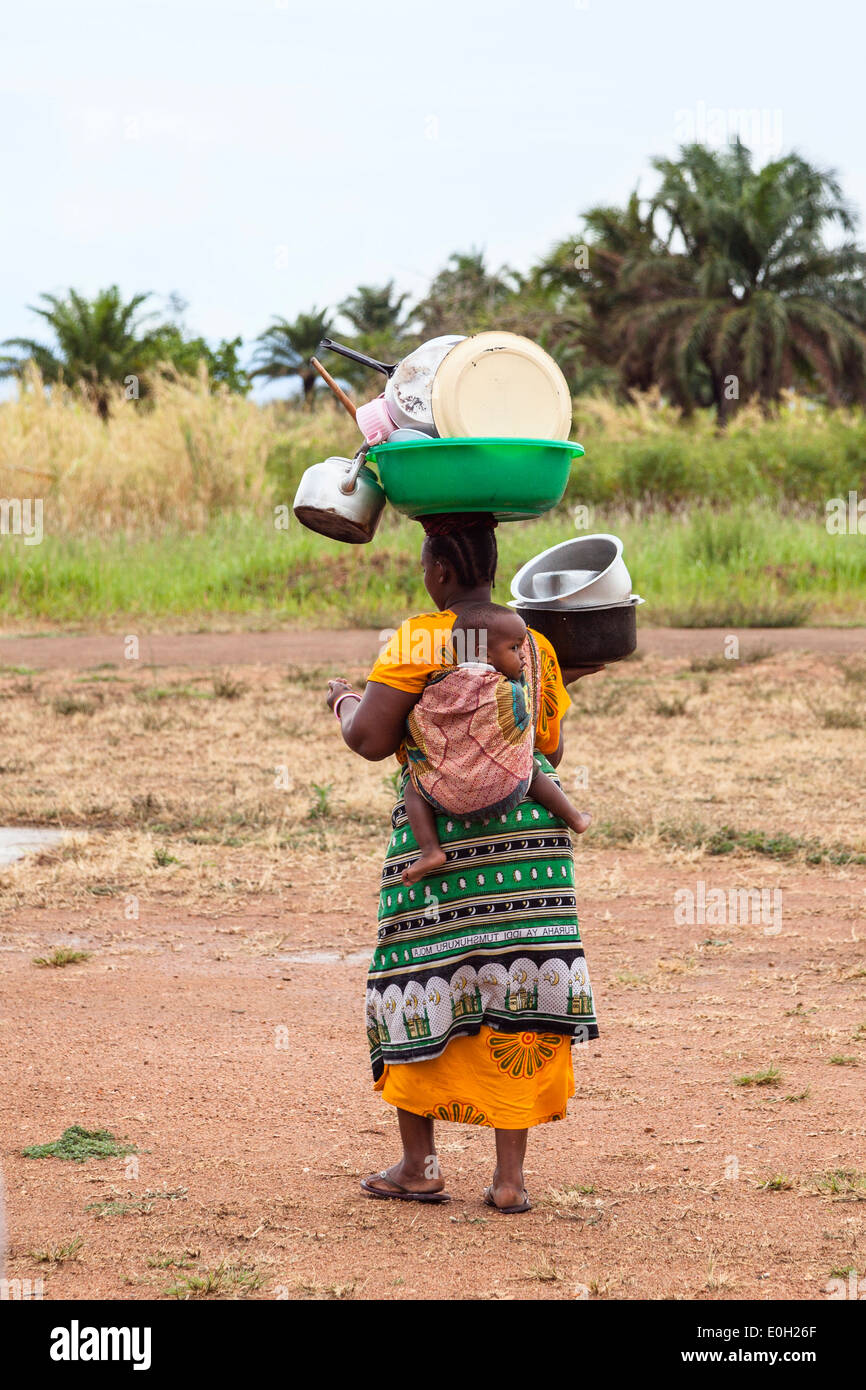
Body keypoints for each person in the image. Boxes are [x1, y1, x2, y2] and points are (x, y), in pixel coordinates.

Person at [326, 512, 601, 1214]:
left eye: (426, 565)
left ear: (442, 572)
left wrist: (341, 700)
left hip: (441, 855)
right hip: (529, 849)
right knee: (521, 992)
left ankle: (419, 1164)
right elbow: (550, 747)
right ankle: (509, 1182)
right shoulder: (532, 641)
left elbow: (368, 738)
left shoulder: (421, 638)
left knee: (416, 980)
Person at [399, 601, 592, 885]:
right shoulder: (507, 690)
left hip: (446, 794)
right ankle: (574, 818)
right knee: (533, 769)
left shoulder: (440, 684)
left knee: (413, 787)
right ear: (483, 653)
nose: (523, 658)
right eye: (515, 649)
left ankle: (430, 850)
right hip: (505, 790)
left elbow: (421, 722)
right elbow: (523, 720)